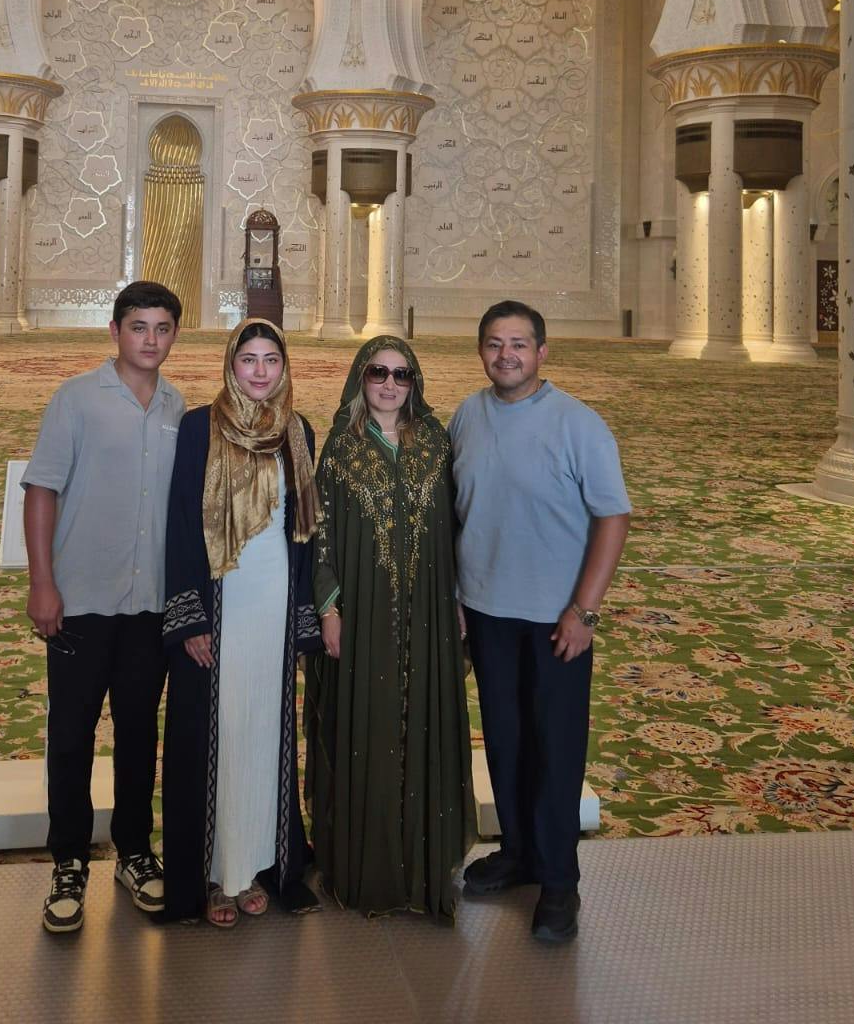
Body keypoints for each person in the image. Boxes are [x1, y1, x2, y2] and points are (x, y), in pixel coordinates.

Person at [451, 300, 630, 945]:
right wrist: (456, 597)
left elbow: (613, 519)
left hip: (558, 621)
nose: (507, 356)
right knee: (504, 741)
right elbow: (456, 510)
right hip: (486, 613)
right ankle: (521, 854)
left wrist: (584, 611)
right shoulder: (466, 416)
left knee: (556, 753)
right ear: (482, 353)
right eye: (495, 344)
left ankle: (559, 882)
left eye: (519, 345)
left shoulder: (579, 424)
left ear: (542, 352)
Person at [22, 280, 185, 935]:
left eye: (163, 328)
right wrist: (43, 583)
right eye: (138, 326)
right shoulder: (76, 401)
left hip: (149, 606)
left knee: (141, 733)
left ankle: (134, 851)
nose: (150, 339)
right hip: (82, 602)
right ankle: (68, 861)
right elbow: (41, 492)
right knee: (71, 736)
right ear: (115, 332)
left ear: (175, 335)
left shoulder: (178, 407)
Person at [160, 318, 322, 926]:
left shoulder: (298, 432)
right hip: (219, 604)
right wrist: (191, 617)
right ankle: (212, 874)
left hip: (272, 608)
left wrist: (303, 616)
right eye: (248, 359)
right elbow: (180, 524)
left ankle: (257, 865)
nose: (259, 371)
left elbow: (305, 534)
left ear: (284, 367)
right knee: (215, 733)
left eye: (270, 359)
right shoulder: (199, 427)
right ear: (231, 364)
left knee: (264, 730)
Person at [306, 338, 473, 918]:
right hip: (365, 616)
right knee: (367, 731)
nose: (389, 384)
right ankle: (367, 872)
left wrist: (455, 598)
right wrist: (329, 608)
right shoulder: (341, 449)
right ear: (361, 377)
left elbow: (455, 529)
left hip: (427, 611)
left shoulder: (435, 443)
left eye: (402, 375)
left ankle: (423, 874)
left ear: (415, 382)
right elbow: (319, 532)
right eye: (378, 372)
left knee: (423, 725)